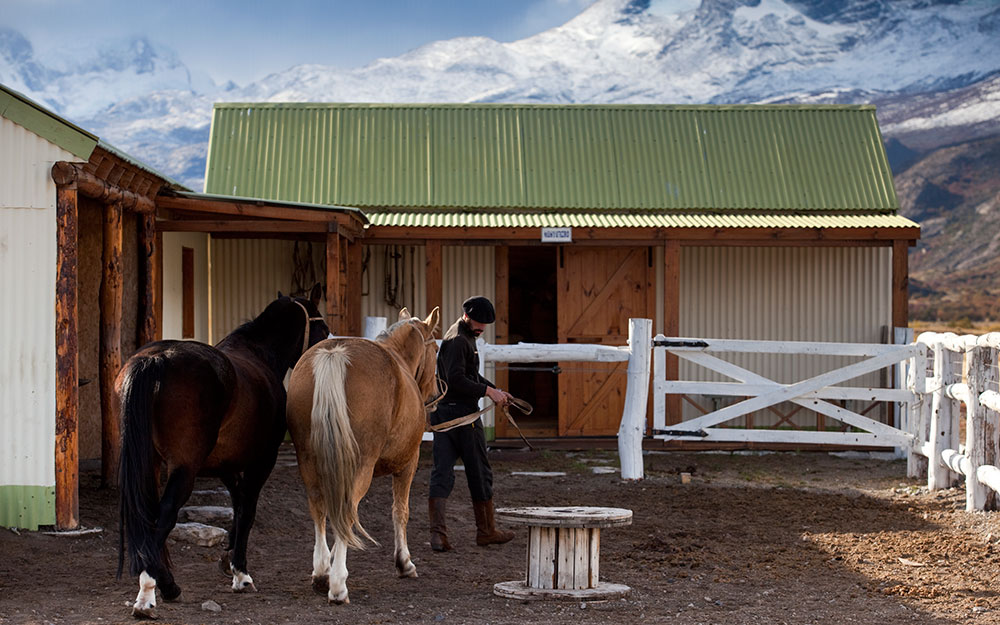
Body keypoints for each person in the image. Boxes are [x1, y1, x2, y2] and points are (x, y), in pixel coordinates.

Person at [428, 295, 516, 551]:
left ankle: (438, 535)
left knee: (441, 471)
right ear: (468, 317)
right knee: (479, 471)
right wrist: (488, 393)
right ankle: (486, 531)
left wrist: (496, 390)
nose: (482, 328)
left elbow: (469, 375)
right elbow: (456, 380)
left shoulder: (462, 336)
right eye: (479, 323)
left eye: (485, 324)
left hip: (444, 415)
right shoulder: (458, 340)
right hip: (462, 417)